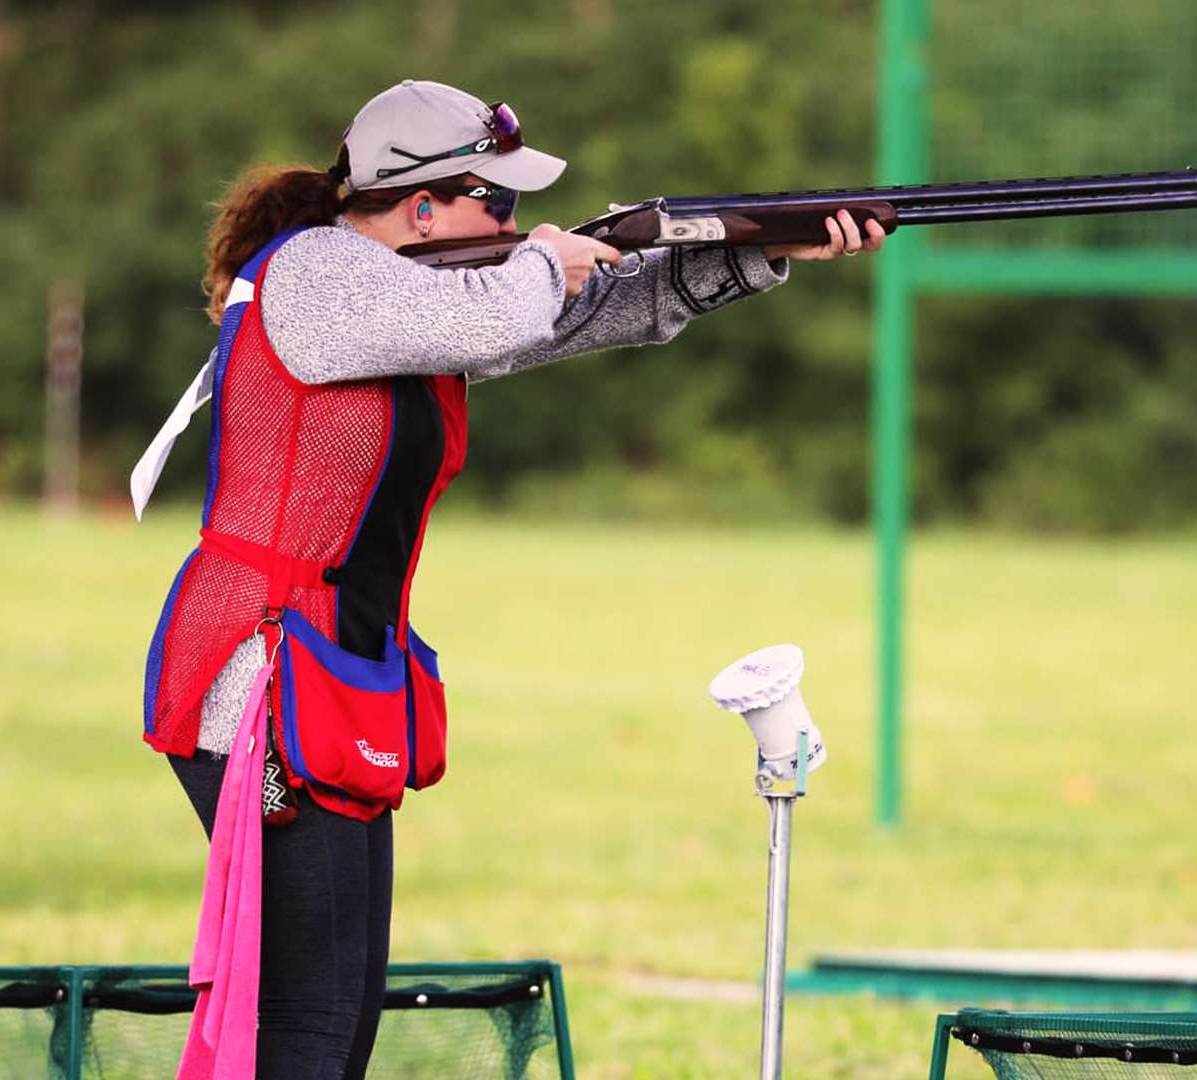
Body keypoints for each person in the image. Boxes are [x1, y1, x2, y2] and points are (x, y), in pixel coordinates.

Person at [131, 79, 883, 1080]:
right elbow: (501, 314)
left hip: (332, 676)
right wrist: (541, 262)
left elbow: (587, 309)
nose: (516, 223)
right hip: (259, 680)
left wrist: (765, 247)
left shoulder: (419, 298)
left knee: (341, 1007)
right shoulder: (319, 274)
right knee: (308, 1015)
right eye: (498, 201)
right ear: (424, 206)